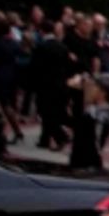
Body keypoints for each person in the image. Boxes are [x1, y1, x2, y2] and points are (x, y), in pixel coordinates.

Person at [68, 72, 109, 169]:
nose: (91, 90)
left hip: (84, 164)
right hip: (89, 161)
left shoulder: (96, 115)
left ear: (103, 92)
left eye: (94, 87)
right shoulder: (107, 113)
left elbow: (91, 142)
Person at [31, 19, 72, 149]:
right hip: (60, 84)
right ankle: (44, 139)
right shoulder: (63, 47)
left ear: (42, 31)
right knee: (52, 112)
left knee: (46, 113)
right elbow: (68, 66)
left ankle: (61, 137)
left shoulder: (41, 47)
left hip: (46, 85)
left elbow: (36, 68)